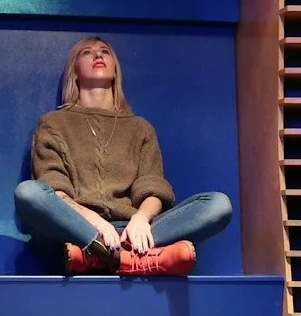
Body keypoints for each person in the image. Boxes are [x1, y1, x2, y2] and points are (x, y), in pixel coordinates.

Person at [14, 35, 233, 276]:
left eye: (105, 52)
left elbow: (153, 188)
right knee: (29, 193)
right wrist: (95, 225)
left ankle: (102, 257)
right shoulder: (53, 123)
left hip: (132, 230)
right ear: (74, 72)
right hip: (75, 229)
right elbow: (54, 190)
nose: (98, 55)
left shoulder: (141, 128)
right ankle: (121, 256)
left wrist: (140, 218)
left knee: (217, 205)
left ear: (116, 69)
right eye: (87, 52)